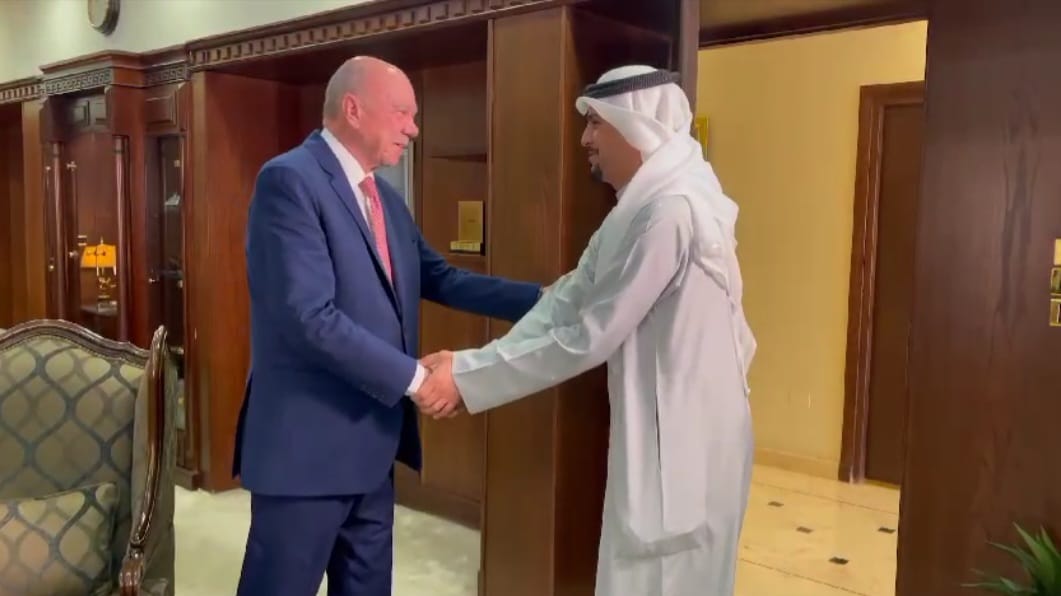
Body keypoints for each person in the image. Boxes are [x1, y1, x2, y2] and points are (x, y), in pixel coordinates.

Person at [414, 64, 757, 596]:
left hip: (687, 442)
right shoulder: (636, 211)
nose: (585, 140)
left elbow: (590, 335)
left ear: (637, 126)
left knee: (670, 578)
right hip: (662, 434)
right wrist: (468, 367)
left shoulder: (669, 213)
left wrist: (469, 377)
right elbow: (565, 302)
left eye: (596, 123)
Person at [232, 55, 543, 596]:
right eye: (402, 113)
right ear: (353, 109)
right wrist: (418, 380)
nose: (413, 128)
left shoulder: (387, 201)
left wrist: (548, 301)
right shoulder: (289, 181)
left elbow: (442, 278)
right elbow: (309, 317)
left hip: (374, 452)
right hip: (305, 455)